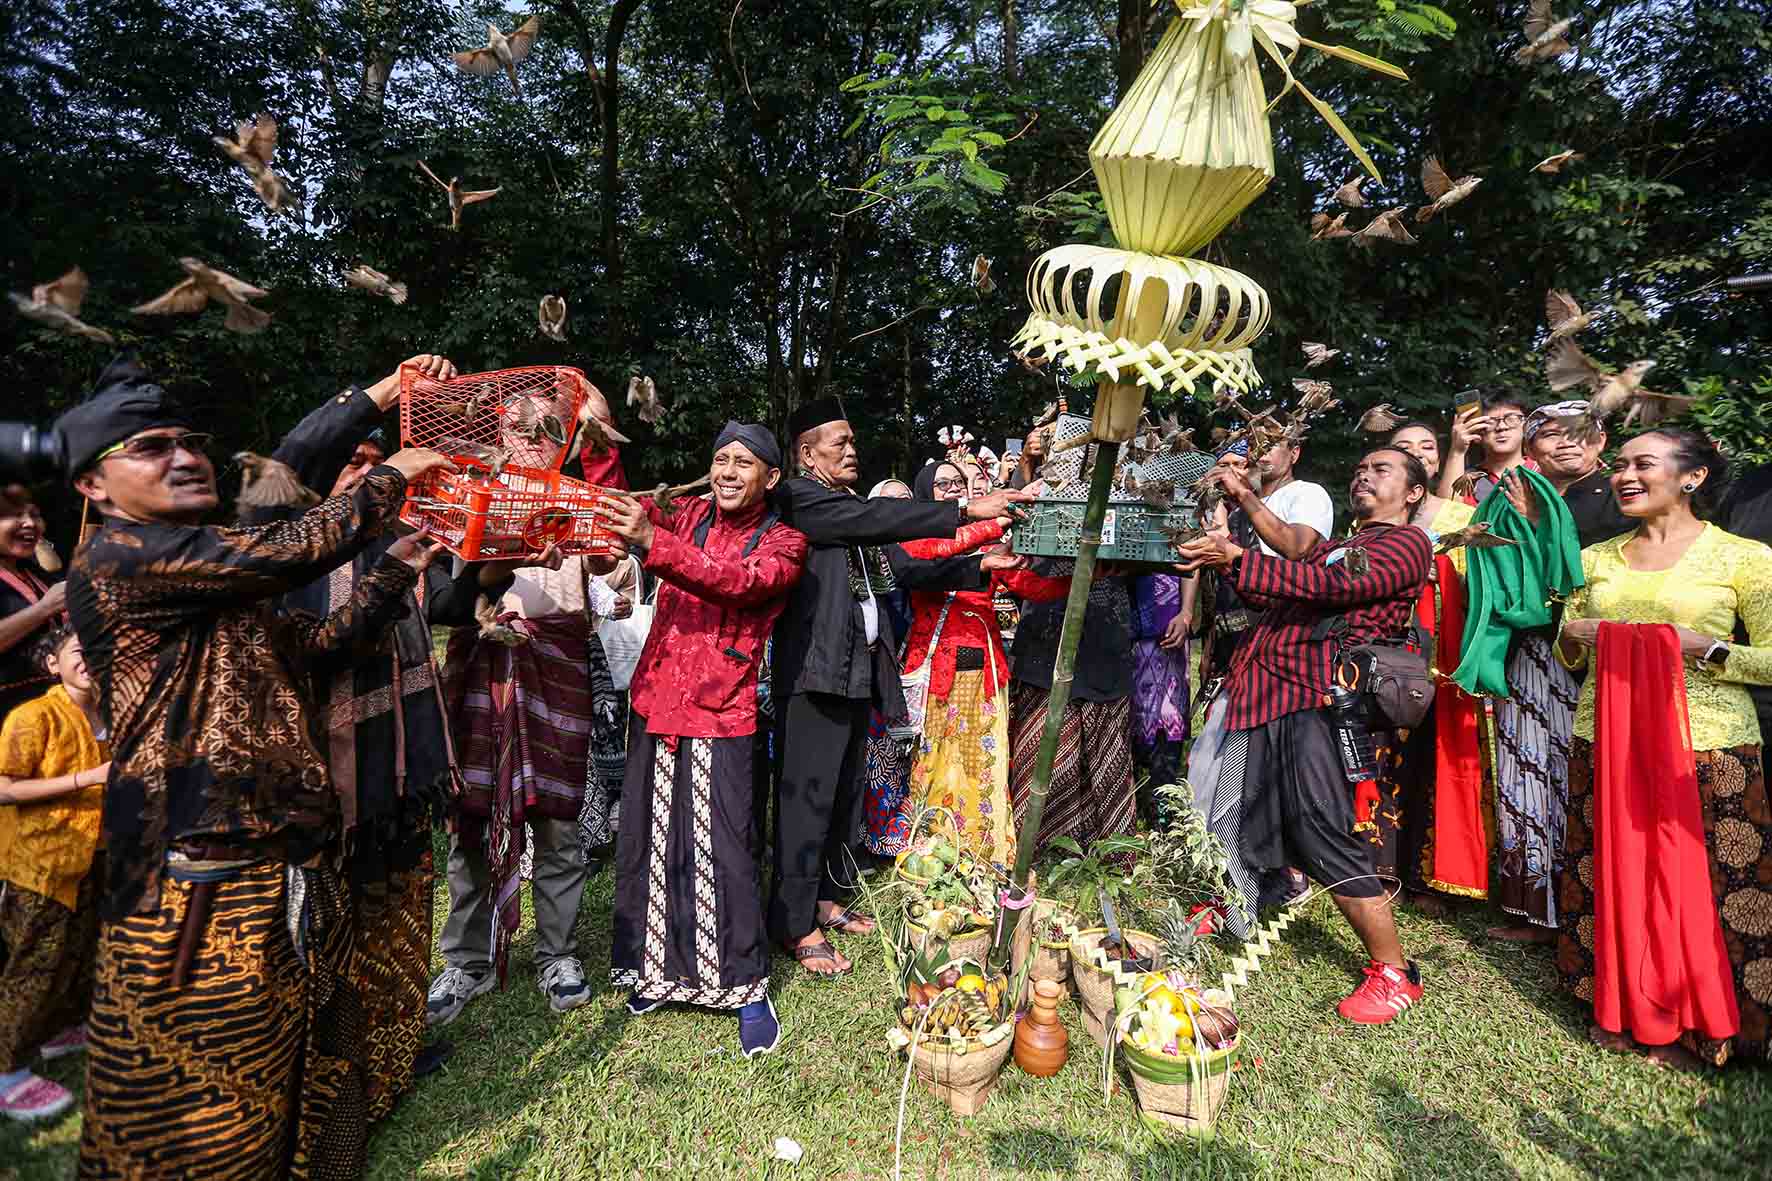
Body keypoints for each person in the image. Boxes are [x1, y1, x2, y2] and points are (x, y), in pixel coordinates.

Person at [60, 354, 454, 1177]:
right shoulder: (120, 560)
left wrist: (397, 566)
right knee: (206, 1130)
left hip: (283, 866)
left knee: (306, 1095)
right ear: (92, 489)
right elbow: (287, 544)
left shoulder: (211, 575)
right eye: (151, 447)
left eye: (190, 440)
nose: (184, 456)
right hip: (194, 889)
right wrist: (388, 477)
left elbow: (312, 646)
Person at [241, 360, 516, 1116]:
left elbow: (454, 603)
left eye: (374, 461)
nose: (366, 473)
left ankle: (393, 1054)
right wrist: (388, 392)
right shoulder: (284, 545)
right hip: (330, 778)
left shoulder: (400, 533)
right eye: (351, 464)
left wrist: (506, 563)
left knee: (399, 909)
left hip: (403, 764)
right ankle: (336, 1068)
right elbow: (291, 457)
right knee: (330, 928)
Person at [768, 397, 1031, 976]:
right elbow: (877, 523)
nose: (852, 449)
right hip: (814, 673)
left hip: (857, 668)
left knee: (842, 795)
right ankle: (794, 924)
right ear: (807, 453)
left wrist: (982, 566)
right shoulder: (798, 498)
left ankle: (828, 898)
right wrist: (965, 510)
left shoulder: (846, 507)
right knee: (806, 800)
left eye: (853, 439)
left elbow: (906, 569)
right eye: (839, 441)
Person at [1177, 447, 1434, 1024]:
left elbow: (1327, 590)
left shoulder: (1406, 544)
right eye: (1361, 467)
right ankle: (1238, 904)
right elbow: (1283, 585)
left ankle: (1394, 971)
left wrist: (1237, 552)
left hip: (1317, 700)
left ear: (1414, 492)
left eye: (1382, 469)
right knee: (1235, 807)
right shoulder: (1342, 546)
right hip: (1264, 690)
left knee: (1322, 824)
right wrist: (1225, 557)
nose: (1363, 474)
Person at [1555, 429, 1772, 1068]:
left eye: (1641, 464)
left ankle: (1714, 1019)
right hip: (1607, 741)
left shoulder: (1743, 558)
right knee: (1614, 876)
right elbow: (1569, 654)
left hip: (1706, 748)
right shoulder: (1594, 558)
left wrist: (1706, 648)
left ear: (1692, 477)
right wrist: (1573, 634)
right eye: (1619, 464)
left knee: (1704, 887)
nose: (1623, 474)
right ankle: (1622, 1002)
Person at [597, 422, 805, 1054]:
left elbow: (736, 583)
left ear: (770, 478)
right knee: (652, 841)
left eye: (744, 464)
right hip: (657, 697)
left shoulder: (786, 541)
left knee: (726, 848)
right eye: (720, 460)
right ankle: (655, 972)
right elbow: (615, 510)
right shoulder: (686, 513)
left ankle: (744, 987)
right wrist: (598, 444)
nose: (728, 473)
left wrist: (653, 544)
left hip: (724, 706)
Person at [433, 538, 622, 1023]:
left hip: (557, 661)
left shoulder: (574, 509)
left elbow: (609, 568)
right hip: (480, 661)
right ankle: (466, 962)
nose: (528, 454)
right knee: (472, 821)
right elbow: (441, 599)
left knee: (558, 821)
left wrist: (602, 555)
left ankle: (557, 954)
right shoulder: (464, 507)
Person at [864, 459, 1067, 862]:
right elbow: (932, 553)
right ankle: (931, 849)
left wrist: (1091, 575)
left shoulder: (984, 542)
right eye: (942, 484)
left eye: (958, 482)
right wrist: (991, 526)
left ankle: (982, 849)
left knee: (983, 758)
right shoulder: (913, 537)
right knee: (934, 758)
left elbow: (1031, 586)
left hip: (985, 669)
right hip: (937, 665)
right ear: (926, 494)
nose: (953, 489)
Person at [1486, 401, 1632, 943]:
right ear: (1532, 446)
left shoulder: (1620, 501)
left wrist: (1536, 522)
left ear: (1600, 442)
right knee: (1523, 775)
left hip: (1589, 660)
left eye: (1579, 434)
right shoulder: (1517, 493)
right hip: (1524, 651)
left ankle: (1578, 909)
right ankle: (1531, 906)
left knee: (1573, 778)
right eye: (1550, 435)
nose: (1565, 443)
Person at [0, 627, 108, 1122]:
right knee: (32, 970)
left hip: (90, 860)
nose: (91, 660)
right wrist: (87, 779)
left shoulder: (111, 712)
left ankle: (60, 1030)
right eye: (79, 651)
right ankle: (8, 1074)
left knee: (77, 954)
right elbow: (4, 787)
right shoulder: (34, 716)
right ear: (52, 664)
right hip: (39, 867)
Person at [1381, 421, 1484, 913]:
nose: (1418, 452)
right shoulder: (1375, 515)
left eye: (1428, 446)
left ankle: (1429, 875)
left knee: (1435, 759)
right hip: (1387, 647)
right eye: (1405, 447)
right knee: (1380, 752)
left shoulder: (1456, 516)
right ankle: (1375, 865)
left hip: (1441, 651)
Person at [1009, 568, 1136, 860]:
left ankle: (1107, 848)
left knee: (1106, 748)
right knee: (1041, 742)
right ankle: (1037, 843)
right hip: (1046, 620)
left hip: (1105, 626)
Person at [1129, 571, 1197, 801]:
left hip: (1171, 626)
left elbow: (1191, 561)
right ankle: (1134, 803)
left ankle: (1164, 811)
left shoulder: (1182, 533)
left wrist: (1186, 613)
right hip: (1131, 625)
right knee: (1133, 717)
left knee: (1171, 719)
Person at [0, 485, 64, 720]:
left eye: (35, 515)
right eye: (15, 515)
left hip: (52, 712)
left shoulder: (35, 573)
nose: (29, 523)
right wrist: (45, 608)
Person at [1239, 436, 1335, 559]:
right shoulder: (1239, 506)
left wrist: (1242, 493)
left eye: (1271, 444)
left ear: (1294, 454)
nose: (1261, 450)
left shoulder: (1308, 493)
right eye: (1253, 444)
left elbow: (1297, 548)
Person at [1438, 391, 1530, 504]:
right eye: (1490, 421)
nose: (1501, 426)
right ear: (1477, 430)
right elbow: (1446, 515)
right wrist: (1457, 451)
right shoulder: (1469, 480)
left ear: (1525, 425)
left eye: (1511, 418)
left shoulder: (1544, 470)